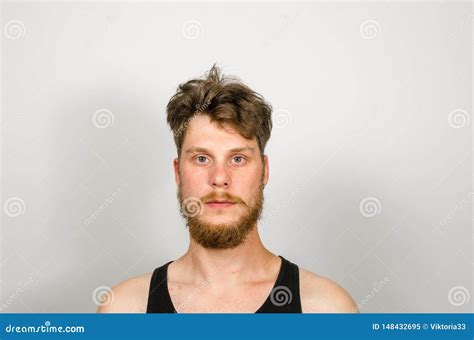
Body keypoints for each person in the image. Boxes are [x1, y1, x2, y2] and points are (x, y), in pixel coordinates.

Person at [97, 64, 358, 313]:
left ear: (264, 171)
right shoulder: (126, 310)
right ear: (178, 172)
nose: (220, 178)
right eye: (202, 159)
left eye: (238, 159)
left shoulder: (326, 310)